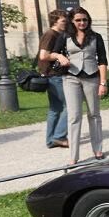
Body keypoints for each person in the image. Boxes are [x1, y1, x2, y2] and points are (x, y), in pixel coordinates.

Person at [61, 7, 108, 165]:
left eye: (85, 20)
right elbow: (51, 53)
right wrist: (60, 56)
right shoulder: (65, 36)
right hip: (71, 78)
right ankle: (73, 156)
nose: (82, 23)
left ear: (89, 21)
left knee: (94, 114)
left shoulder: (96, 37)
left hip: (91, 77)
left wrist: (103, 82)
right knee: (74, 116)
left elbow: (102, 61)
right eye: (78, 20)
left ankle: (98, 149)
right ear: (72, 21)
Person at [37, 9, 69, 149]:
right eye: (63, 20)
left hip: (52, 75)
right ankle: (59, 136)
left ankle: (51, 140)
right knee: (70, 106)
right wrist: (58, 56)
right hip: (54, 75)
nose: (66, 23)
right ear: (55, 21)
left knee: (55, 108)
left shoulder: (58, 34)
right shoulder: (50, 34)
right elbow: (43, 55)